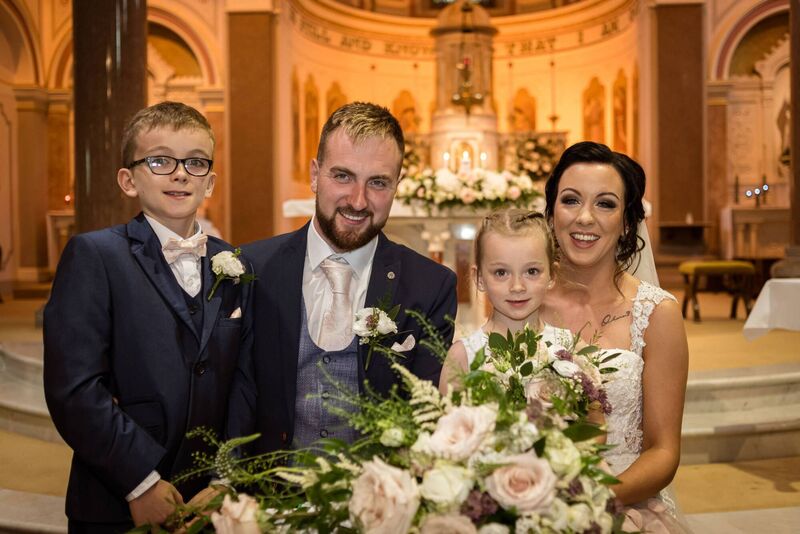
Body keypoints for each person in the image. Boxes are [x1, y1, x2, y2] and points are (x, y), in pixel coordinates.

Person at [43, 101, 252, 532]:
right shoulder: (96, 255)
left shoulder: (235, 265)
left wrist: (226, 476)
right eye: (160, 160)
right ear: (128, 180)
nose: (180, 173)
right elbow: (75, 388)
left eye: (195, 162)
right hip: (118, 498)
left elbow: (247, 381)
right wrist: (140, 482)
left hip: (208, 502)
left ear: (210, 182)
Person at [227, 102, 457, 454]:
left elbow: (425, 419)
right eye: (343, 176)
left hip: (382, 497)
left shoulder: (430, 286)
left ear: (397, 185)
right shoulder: (253, 270)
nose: (358, 200)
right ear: (315, 174)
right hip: (266, 494)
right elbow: (233, 396)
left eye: (377, 182)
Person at [541, 141, 690, 532]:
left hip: (626, 507)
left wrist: (588, 501)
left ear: (627, 221)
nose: (584, 218)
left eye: (605, 204)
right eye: (570, 200)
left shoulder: (658, 314)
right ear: (552, 211)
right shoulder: (522, 302)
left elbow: (663, 452)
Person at [439, 208, 573, 392]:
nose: (517, 286)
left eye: (531, 271)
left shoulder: (569, 347)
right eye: (501, 273)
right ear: (479, 278)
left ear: (551, 275)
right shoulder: (461, 357)